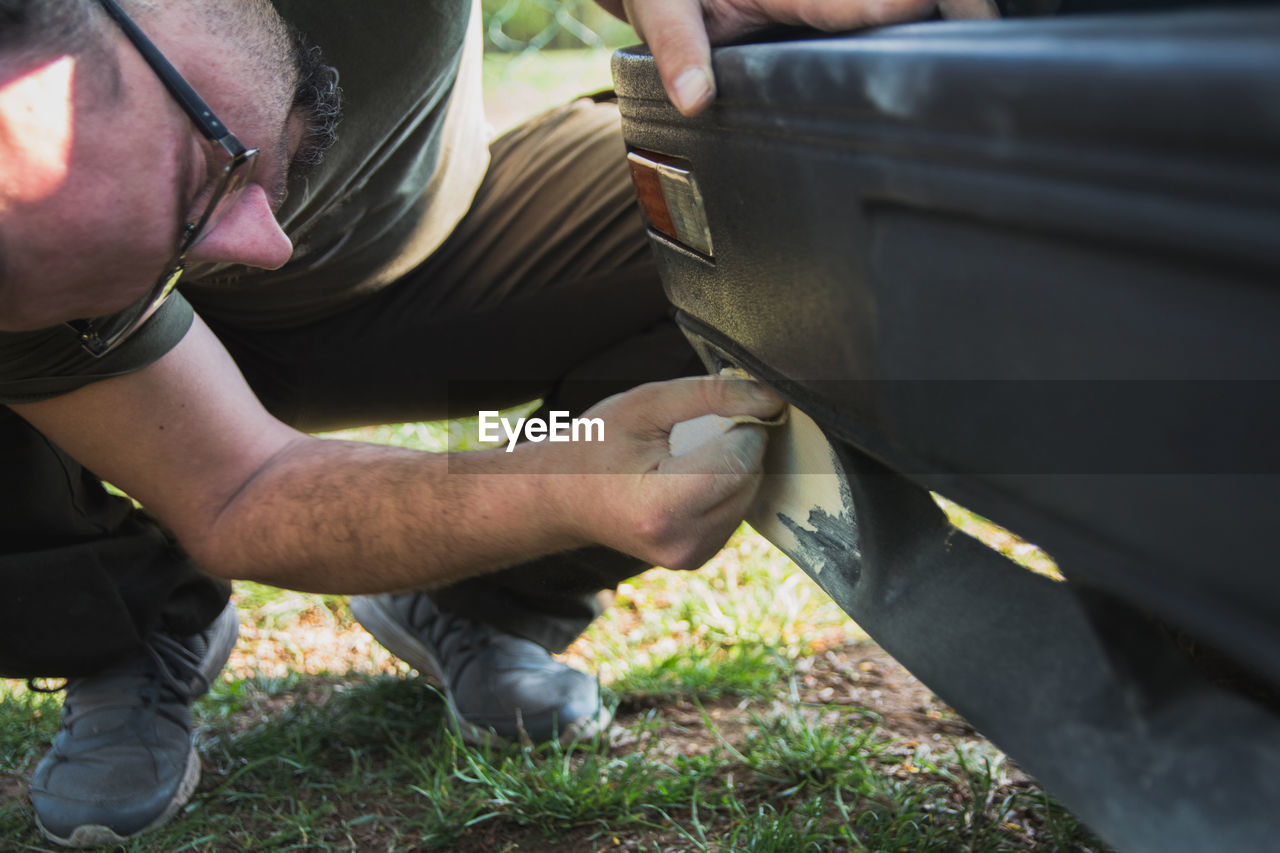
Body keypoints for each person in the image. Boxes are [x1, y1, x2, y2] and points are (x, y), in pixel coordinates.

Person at [0, 0, 999, 845]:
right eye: (157, 253)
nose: (262, 247)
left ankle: (483, 601)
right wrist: (554, 478)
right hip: (149, 382)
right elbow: (241, 483)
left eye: (203, 175)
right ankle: (122, 625)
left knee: (758, 223)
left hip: (452, 252)